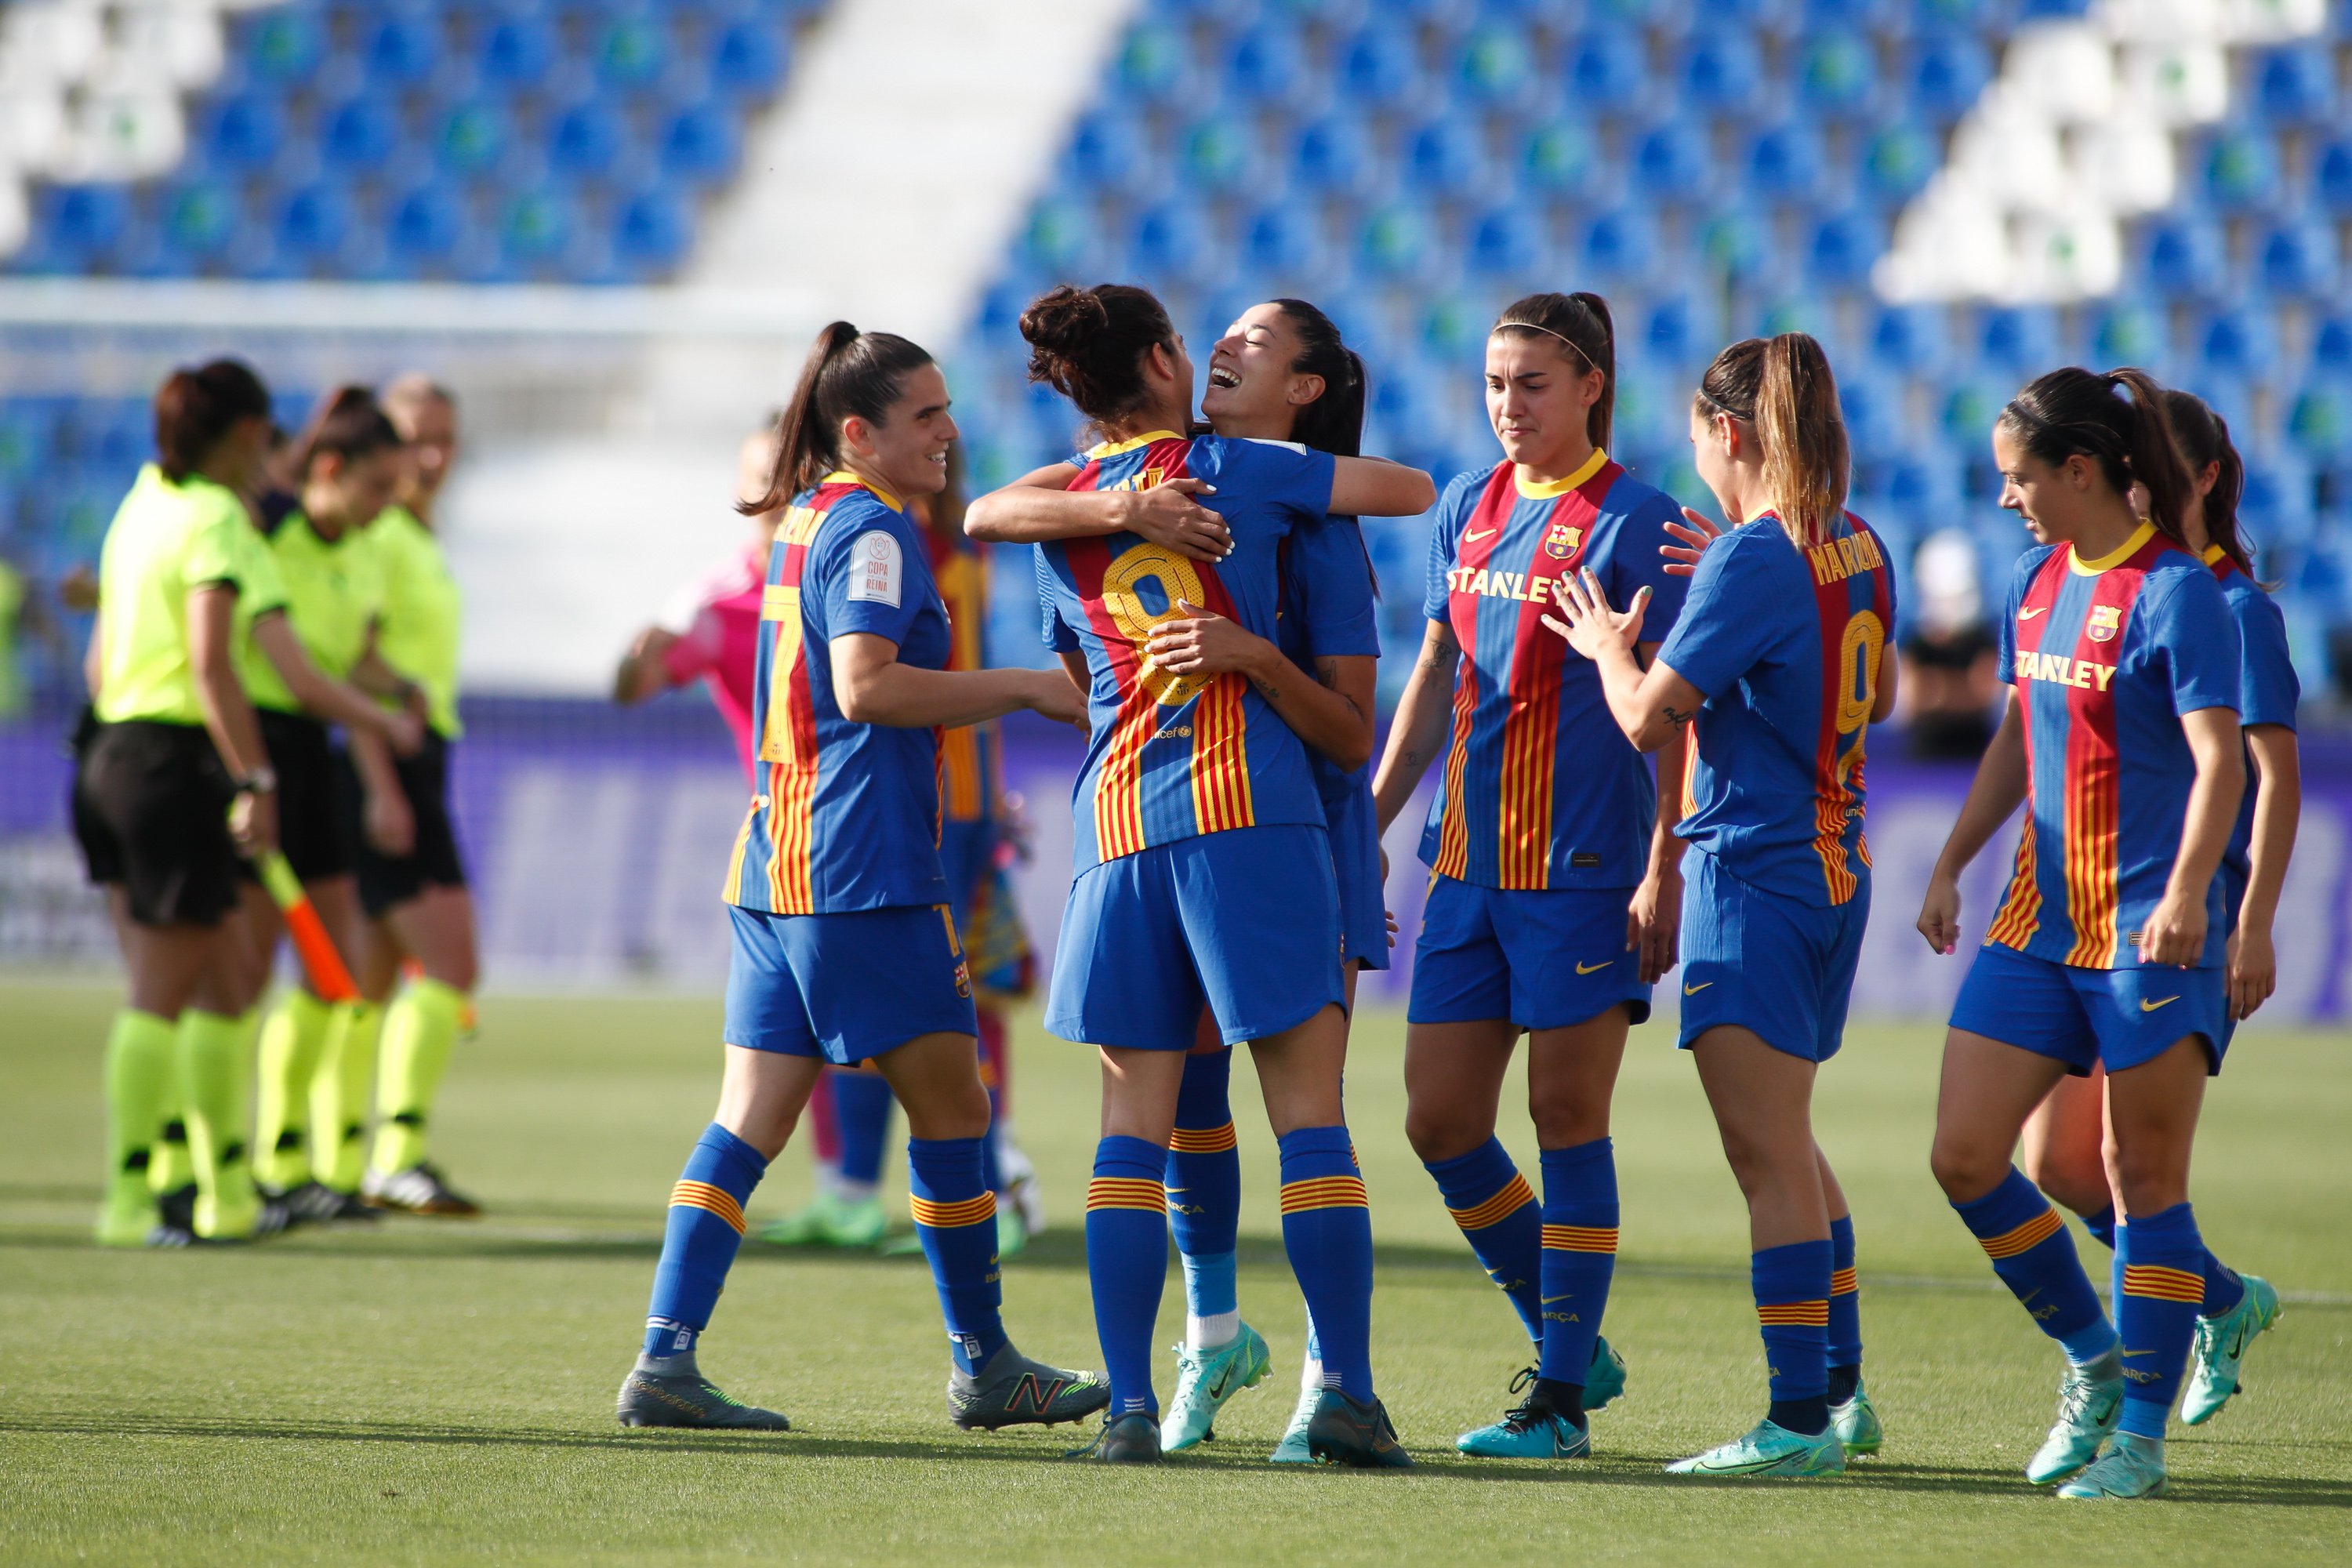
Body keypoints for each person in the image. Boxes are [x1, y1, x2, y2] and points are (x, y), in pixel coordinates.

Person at [964, 281, 1435, 1465]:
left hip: (1115, 832)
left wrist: (1114, 506)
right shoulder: (1246, 473)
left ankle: (1129, 1406)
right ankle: (1347, 1392)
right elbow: (1413, 493)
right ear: (1168, 358)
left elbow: (1036, 606)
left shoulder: (1059, 511)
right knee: (1310, 1119)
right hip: (1250, 825)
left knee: (1132, 1130)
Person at [615, 321, 1105, 1435]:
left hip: (773, 863)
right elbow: (870, 686)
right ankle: (984, 1364)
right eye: (926, 415)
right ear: (859, 432)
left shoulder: (807, 518)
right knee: (955, 1104)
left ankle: (665, 1357)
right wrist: (1028, 689)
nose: (949, 431)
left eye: (945, 409)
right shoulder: (879, 532)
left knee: (746, 1121)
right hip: (860, 870)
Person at [1544, 332, 1896, 1478]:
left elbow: (1649, 716)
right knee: (1788, 1140)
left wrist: (1606, 646)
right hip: (1835, 865)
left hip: (1753, 871)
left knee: (1764, 1158)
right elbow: (1875, 688)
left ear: (1727, 435)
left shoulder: (1753, 561)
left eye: (1697, 433)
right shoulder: (1853, 542)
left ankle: (1797, 1421)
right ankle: (1839, 1395)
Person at [1916, 368, 2247, 1501]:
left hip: (2148, 934)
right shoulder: (2034, 579)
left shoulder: (2178, 594)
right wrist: (1956, 856)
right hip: (2032, 925)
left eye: (2019, 478)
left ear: (2082, 470)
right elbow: (2020, 732)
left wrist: (2192, 892)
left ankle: (2141, 1443)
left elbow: (2224, 761)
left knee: (2137, 1176)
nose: (2006, 499)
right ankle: (2095, 1361)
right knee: (1964, 1157)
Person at [1368, 292, 1685, 1461]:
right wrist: (1376, 819)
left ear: (1593, 384)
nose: (1509, 405)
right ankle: (1570, 1339)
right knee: (1440, 1120)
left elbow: (1680, 711)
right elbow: (1438, 665)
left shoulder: (1648, 525)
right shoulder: (1467, 503)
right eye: (1496, 383)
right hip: (1465, 865)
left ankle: (1556, 1398)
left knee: (1565, 1116)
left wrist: (1666, 864)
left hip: (1584, 870)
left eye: (1533, 384)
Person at [2014, 388, 2290, 1431]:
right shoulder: (2108, 583)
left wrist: (2252, 918)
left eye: (2161, 469)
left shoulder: (2228, 606)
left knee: (2135, 1172)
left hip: (2179, 920)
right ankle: (2220, 1299)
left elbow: (2273, 779)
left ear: (2208, 480)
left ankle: (2131, 1414)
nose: (2139, 483)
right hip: (2079, 920)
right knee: (2057, 1164)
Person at [74, 360, 284, 1246]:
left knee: (226, 979)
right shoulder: (213, 519)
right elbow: (210, 664)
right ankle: (133, 1200)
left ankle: (218, 1191)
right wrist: (254, 778)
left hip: (112, 749)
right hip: (170, 760)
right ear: (244, 435)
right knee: (164, 990)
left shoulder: (142, 505)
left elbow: (103, 650)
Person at [241, 388, 427, 1221]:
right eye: (376, 486)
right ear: (328, 470)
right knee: (236, 977)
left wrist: (401, 685)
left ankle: (301, 1169)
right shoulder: (268, 520)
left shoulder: (354, 552)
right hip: (253, 754)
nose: (386, 504)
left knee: (332, 969)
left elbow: (346, 657)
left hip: (312, 759)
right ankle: (254, 1167)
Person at [344, 374, 482, 1216]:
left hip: (414, 754)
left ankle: (324, 1157)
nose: (430, 456)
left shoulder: (413, 531)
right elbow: (344, 660)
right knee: (452, 965)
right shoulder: (382, 535)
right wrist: (376, 782)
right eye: (412, 437)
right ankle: (394, 1152)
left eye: (444, 437)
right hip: (385, 759)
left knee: (366, 979)